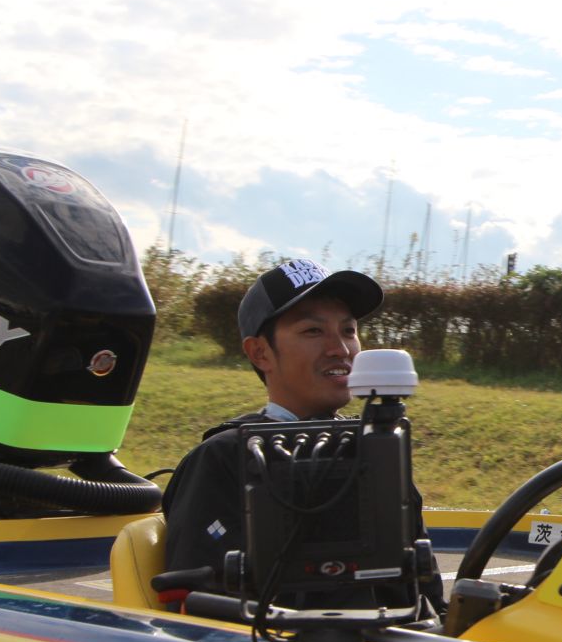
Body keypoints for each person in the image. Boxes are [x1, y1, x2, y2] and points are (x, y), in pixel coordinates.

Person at [161, 259, 444, 613]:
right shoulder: (224, 458)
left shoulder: (378, 449)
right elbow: (192, 614)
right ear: (260, 352)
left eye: (348, 330)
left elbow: (429, 599)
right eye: (313, 331)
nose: (340, 349)